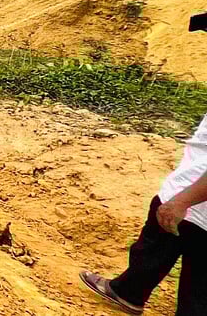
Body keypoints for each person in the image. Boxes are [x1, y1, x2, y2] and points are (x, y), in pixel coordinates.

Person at [80, 110, 207, 315]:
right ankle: (128, 291)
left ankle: (129, 291)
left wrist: (182, 201)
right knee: (192, 275)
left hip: (192, 200)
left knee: (165, 248)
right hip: (195, 203)